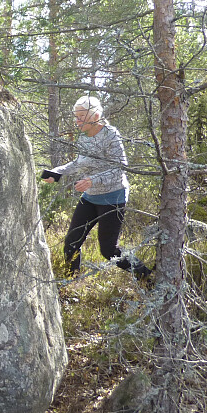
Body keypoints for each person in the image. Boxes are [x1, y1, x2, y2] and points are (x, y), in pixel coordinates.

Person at [42, 95, 152, 281]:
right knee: (71, 243)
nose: (77, 121)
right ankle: (72, 282)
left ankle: (147, 277)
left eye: (81, 116)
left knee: (109, 250)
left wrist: (93, 180)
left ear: (95, 116)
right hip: (90, 197)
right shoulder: (84, 137)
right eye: (75, 116)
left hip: (113, 197)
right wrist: (57, 172)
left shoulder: (110, 134)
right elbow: (80, 162)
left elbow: (120, 167)